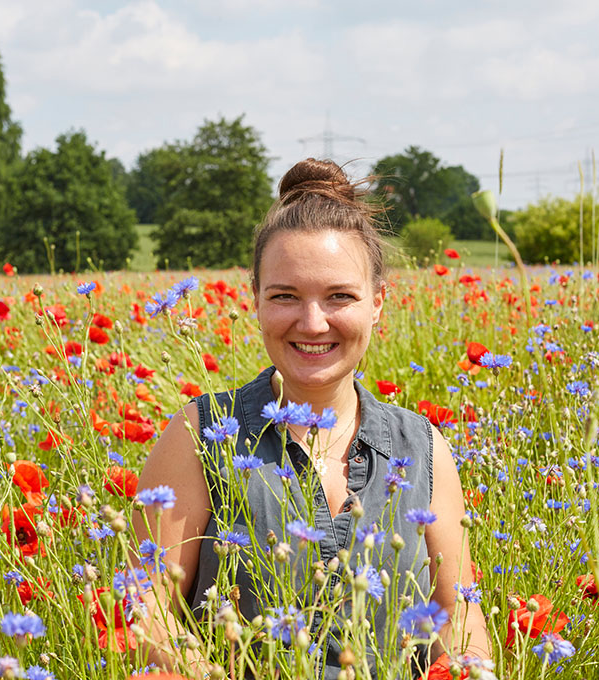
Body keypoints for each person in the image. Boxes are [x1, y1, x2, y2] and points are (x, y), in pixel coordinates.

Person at [133, 158, 490, 678]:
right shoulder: (199, 435)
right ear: (255, 298)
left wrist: (468, 668)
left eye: (340, 296)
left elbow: (461, 620)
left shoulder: (422, 446)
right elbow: (148, 612)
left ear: (377, 304)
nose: (313, 322)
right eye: (285, 296)